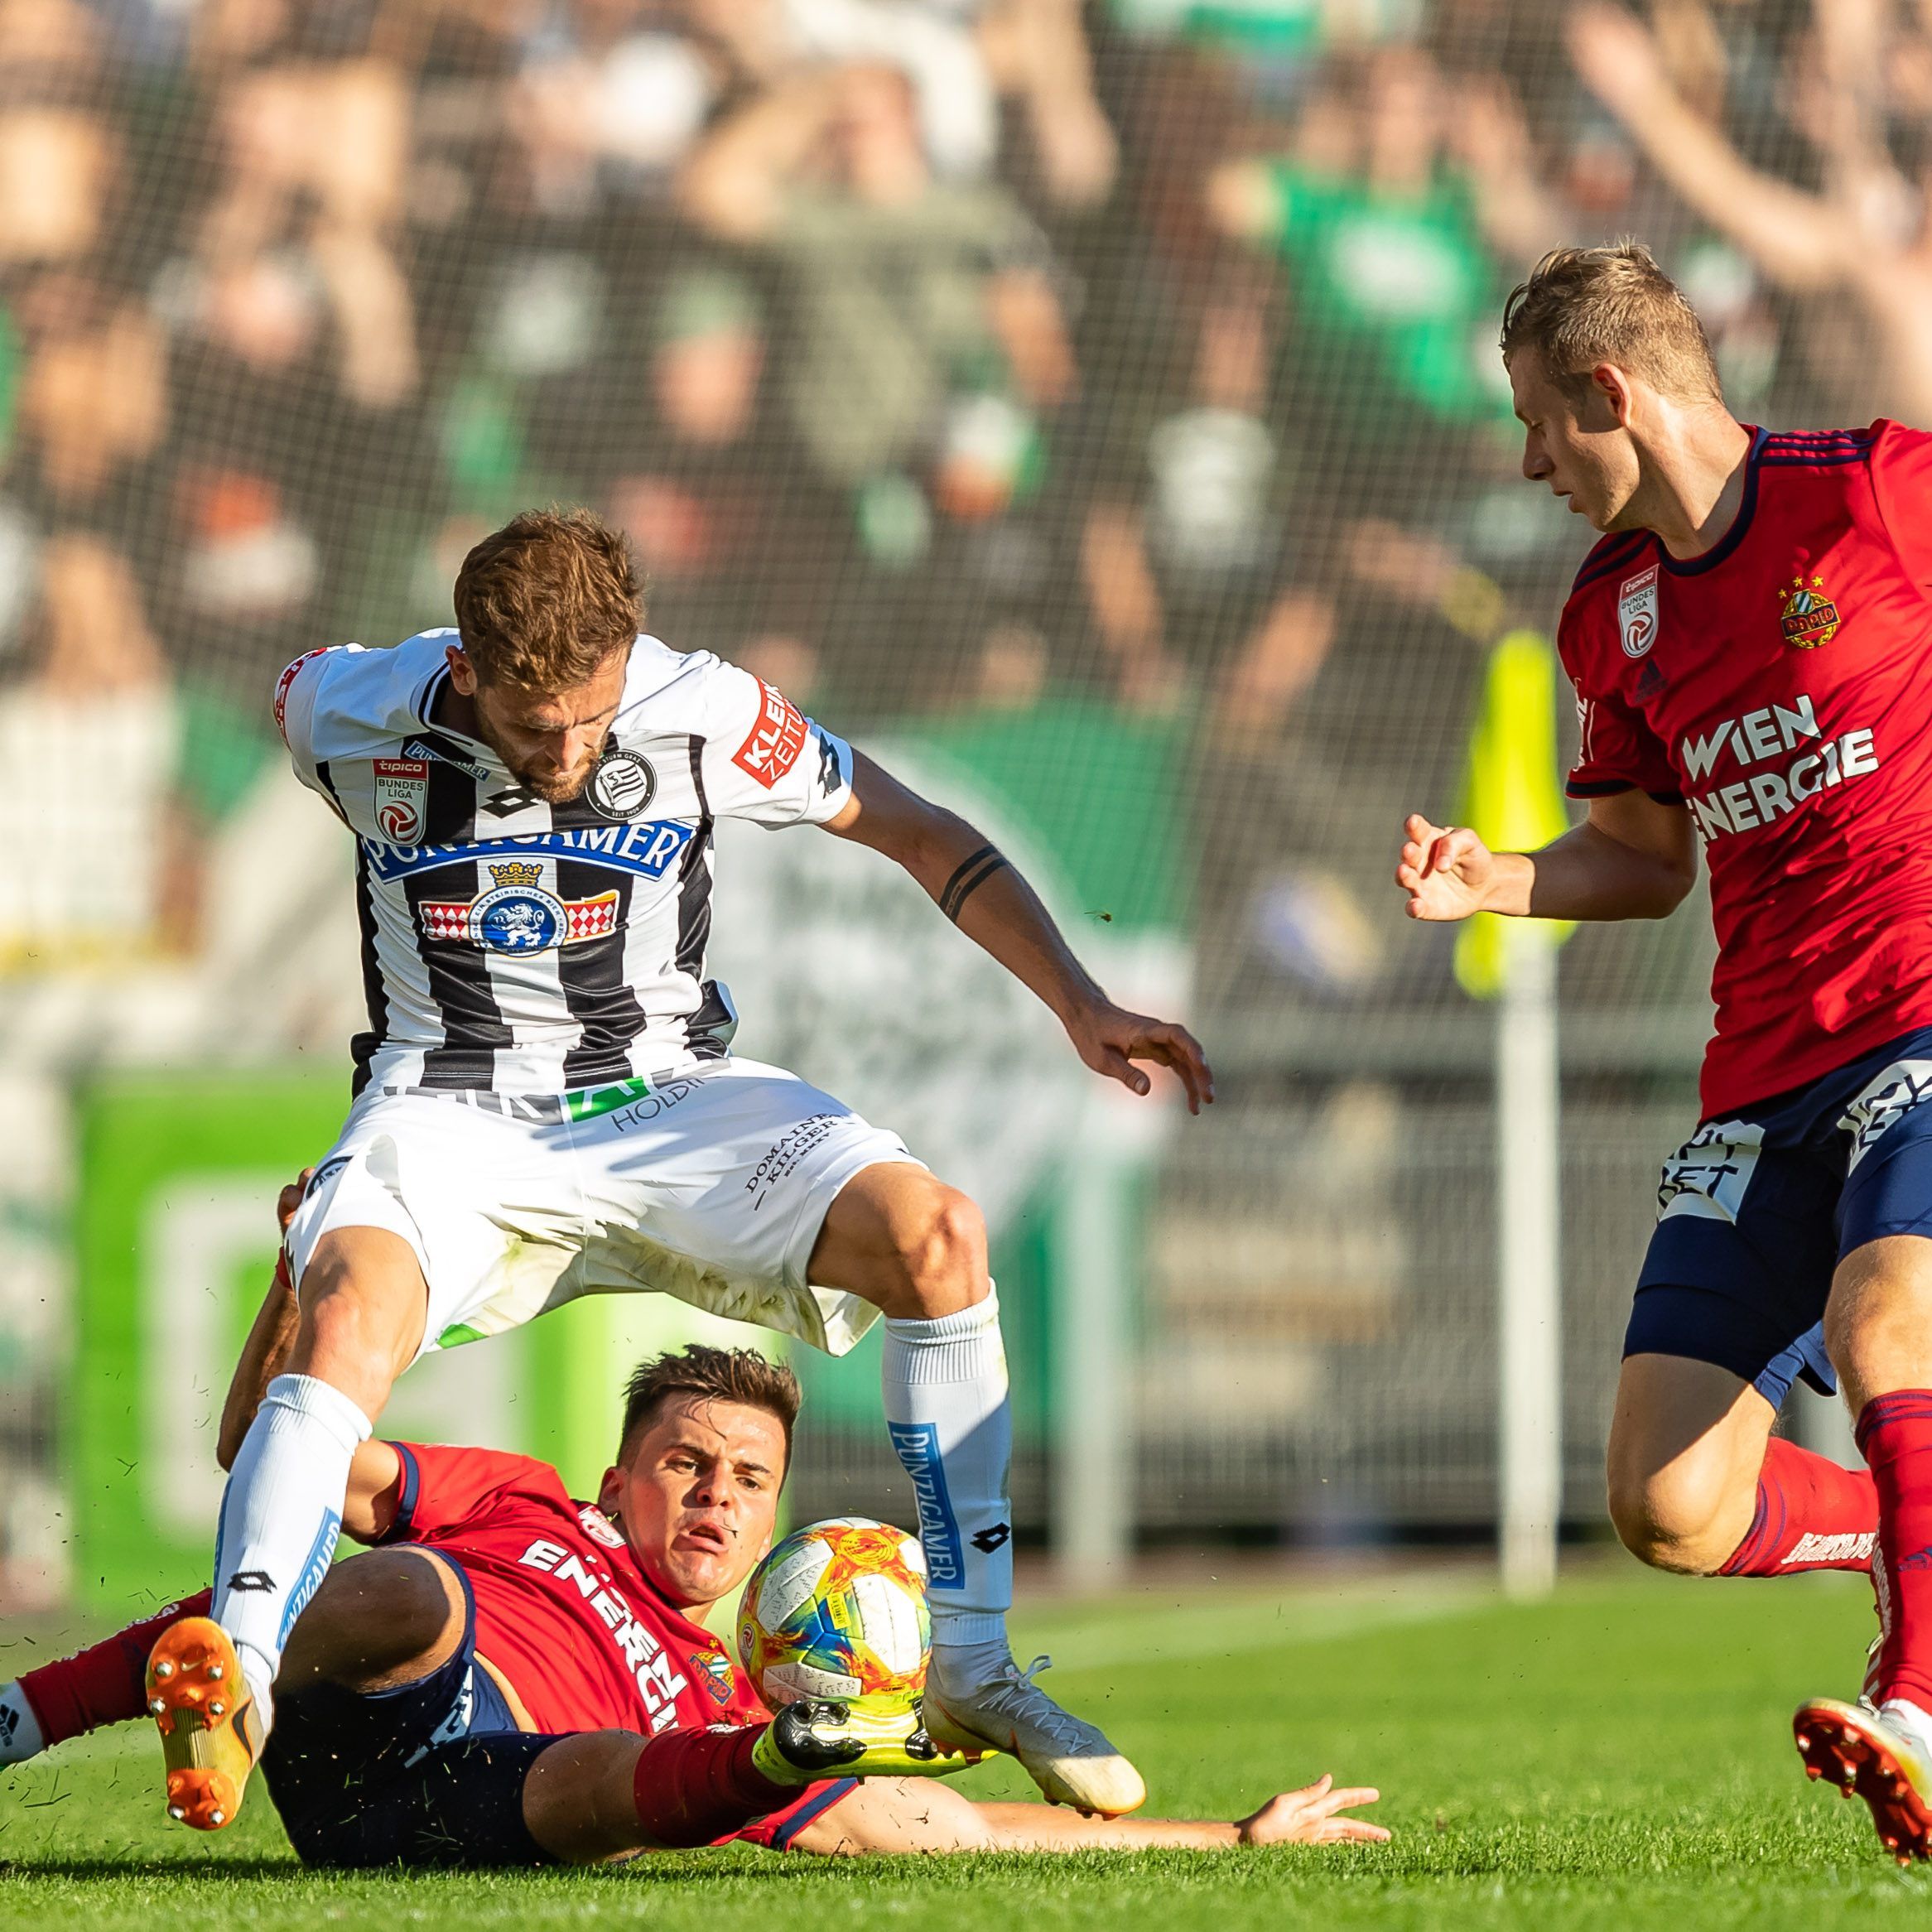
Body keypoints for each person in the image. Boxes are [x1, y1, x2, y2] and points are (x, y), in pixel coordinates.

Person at [199, 506, 1213, 1835]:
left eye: (589, 717)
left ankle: (970, 1662)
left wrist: (1078, 1000)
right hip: (447, 1106)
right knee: (341, 1315)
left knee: (937, 1237)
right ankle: (232, 1677)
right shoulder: (342, 703)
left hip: (665, 1098)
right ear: (465, 669)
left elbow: (917, 832)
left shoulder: (707, 706)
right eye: (529, 721)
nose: (566, 751)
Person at [1393, 242, 1932, 1863]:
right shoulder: (1606, 615)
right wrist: (1502, 878)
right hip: (1762, 1079)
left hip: (1921, 1012)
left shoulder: (1882, 492)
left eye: (1537, 425)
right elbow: (1642, 853)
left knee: (1890, 1307)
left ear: (1608, 391)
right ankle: (1916, 1544)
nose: (1528, 461)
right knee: (1669, 1504)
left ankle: (1920, 1700)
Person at [0, 1342, 1385, 1864]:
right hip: (359, 1700)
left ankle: (218, 1694)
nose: (714, 1496)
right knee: (404, 1585)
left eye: (746, 1478)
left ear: (778, 1520)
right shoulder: (527, 1500)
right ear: (620, 1472)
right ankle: (147, 1699)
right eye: (685, 1463)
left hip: (490, 1800)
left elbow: (939, 1823)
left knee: (623, 1772)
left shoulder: (733, 1692)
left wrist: (1229, 1836)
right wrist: (303, 1276)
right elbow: (274, 1448)